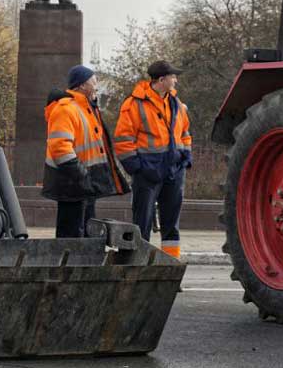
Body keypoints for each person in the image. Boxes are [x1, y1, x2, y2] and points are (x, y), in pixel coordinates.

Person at [114, 61, 192, 259]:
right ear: (161, 80)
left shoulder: (176, 103)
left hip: (174, 171)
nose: (176, 80)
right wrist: (137, 169)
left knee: (171, 227)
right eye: (173, 76)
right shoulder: (133, 104)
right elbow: (123, 141)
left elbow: (184, 133)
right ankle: (140, 269)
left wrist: (185, 158)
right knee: (142, 224)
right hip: (147, 173)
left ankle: (170, 269)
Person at [43, 64, 128, 237]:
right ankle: (71, 263)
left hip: (83, 182)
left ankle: (84, 263)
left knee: (86, 232)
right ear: (82, 85)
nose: (97, 84)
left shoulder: (87, 109)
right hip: (72, 183)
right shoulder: (65, 109)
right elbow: (60, 147)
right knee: (72, 235)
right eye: (94, 80)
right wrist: (81, 174)